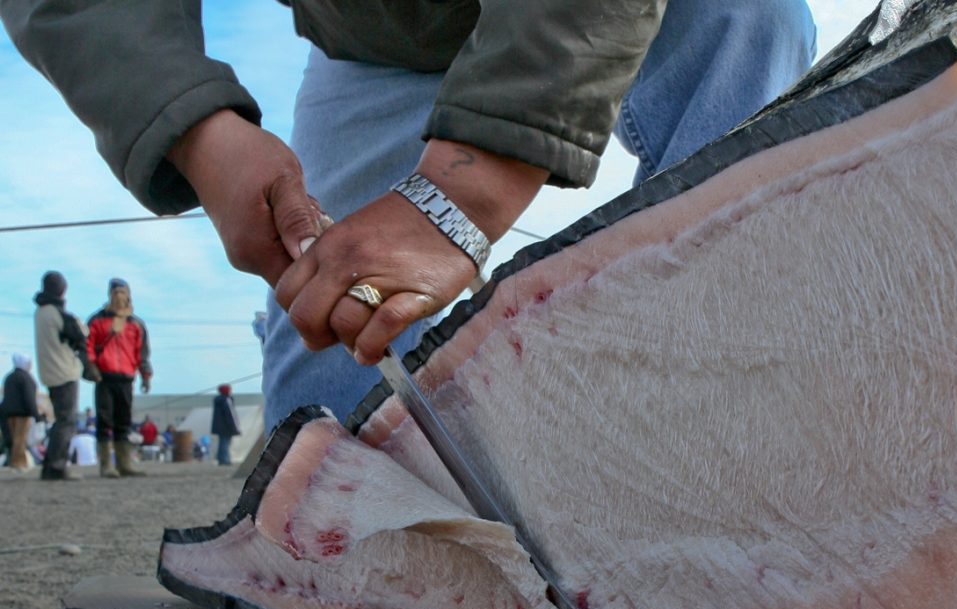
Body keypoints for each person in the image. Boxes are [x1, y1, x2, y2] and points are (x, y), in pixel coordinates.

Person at [1, 2, 817, 429]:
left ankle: (720, 405)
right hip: (375, 43)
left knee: (751, 24)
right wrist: (194, 131)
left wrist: (463, 193)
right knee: (318, 437)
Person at [87, 278, 153, 478]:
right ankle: (106, 464)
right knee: (105, 420)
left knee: (124, 421)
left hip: (126, 378)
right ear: (109, 294)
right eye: (115, 292)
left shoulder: (136, 324)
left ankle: (124, 463)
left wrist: (146, 376)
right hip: (104, 377)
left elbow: (142, 353)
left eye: (122, 292)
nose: (119, 296)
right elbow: (88, 345)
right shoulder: (97, 320)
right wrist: (91, 367)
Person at [33, 271, 86, 481]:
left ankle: (49, 465)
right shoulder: (57, 313)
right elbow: (80, 333)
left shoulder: (40, 312)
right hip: (64, 371)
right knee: (67, 420)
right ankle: (57, 465)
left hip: (48, 372)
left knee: (60, 420)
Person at [0, 354, 38, 471]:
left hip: (7, 413)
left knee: (14, 437)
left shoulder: (9, 377)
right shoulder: (26, 378)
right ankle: (18, 463)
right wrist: (35, 414)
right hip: (22, 413)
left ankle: (14, 461)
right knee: (20, 438)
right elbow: (29, 398)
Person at [211, 384, 241, 466]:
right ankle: (225, 460)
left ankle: (222, 459)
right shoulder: (226, 400)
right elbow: (230, 415)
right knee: (225, 444)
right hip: (226, 426)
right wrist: (234, 427)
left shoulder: (219, 400)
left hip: (221, 427)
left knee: (222, 443)